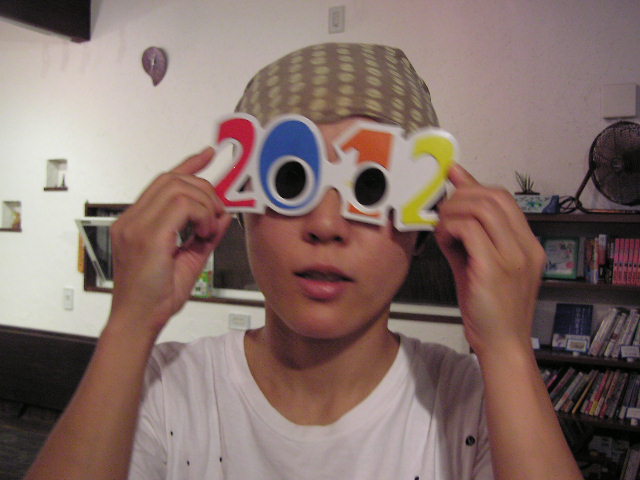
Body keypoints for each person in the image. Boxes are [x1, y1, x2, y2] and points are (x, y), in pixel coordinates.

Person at [24, 43, 582, 480]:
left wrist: (508, 349)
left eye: (371, 186)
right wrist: (128, 325)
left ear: (420, 227)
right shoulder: (164, 391)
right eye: (291, 180)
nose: (326, 224)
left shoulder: (480, 405)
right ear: (240, 208)